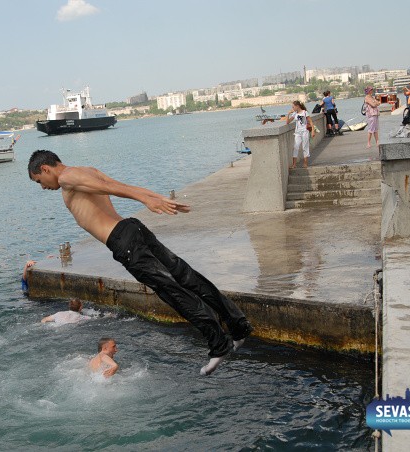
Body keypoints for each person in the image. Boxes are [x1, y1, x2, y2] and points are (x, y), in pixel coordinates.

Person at [28, 150, 253, 376]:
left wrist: (145, 199)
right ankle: (238, 326)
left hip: (122, 241)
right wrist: (156, 197)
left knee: (171, 290)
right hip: (132, 228)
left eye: (40, 181)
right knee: (186, 276)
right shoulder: (85, 171)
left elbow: (115, 189)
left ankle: (218, 344)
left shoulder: (67, 178)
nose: (43, 187)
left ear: (45, 169)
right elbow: (121, 185)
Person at [286, 100, 315, 169]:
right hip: (297, 133)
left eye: (293, 107)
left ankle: (305, 163)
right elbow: (287, 122)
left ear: (297, 106)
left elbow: (310, 122)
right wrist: (288, 114)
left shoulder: (305, 112)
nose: (292, 108)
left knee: (305, 147)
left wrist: (313, 131)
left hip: (305, 131)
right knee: (296, 147)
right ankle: (294, 164)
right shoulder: (295, 114)